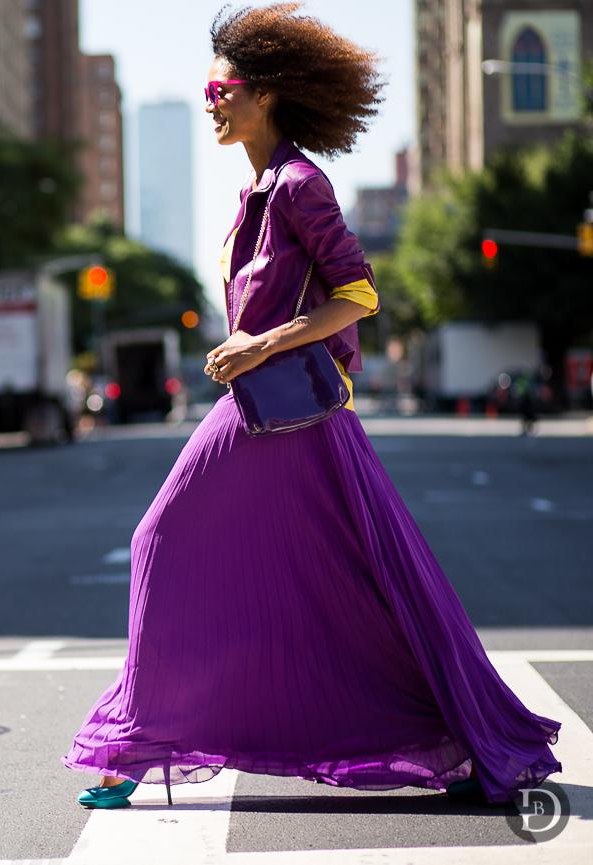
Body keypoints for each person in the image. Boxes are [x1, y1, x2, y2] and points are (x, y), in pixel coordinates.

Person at [61, 2, 562, 810]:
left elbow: (359, 294)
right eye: (210, 89)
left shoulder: (299, 183)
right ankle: (155, 737)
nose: (211, 101)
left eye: (222, 89)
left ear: (266, 95)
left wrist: (260, 344)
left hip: (288, 413)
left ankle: (133, 741)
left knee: (161, 534)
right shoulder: (257, 192)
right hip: (271, 414)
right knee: (335, 588)